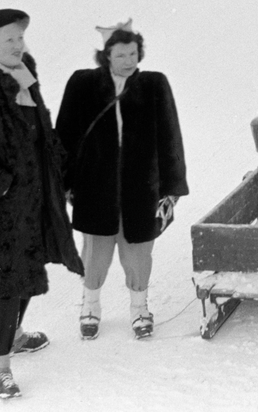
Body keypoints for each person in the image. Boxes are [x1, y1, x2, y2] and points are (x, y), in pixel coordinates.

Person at [0, 9, 83, 400]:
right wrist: (3, 188)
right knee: (2, 283)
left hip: (35, 201)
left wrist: (62, 177)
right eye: (9, 40)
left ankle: (16, 336)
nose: (18, 45)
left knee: (28, 269)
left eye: (21, 38)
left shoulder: (26, 78)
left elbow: (43, 134)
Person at [56, 22, 189, 342]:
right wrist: (65, 181)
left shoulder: (154, 84)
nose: (129, 60)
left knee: (139, 250)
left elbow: (171, 135)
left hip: (141, 185)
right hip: (94, 184)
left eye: (133, 53)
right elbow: (65, 135)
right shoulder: (83, 84)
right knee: (95, 250)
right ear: (106, 55)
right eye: (121, 55)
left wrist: (171, 188)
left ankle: (139, 308)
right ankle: (90, 306)